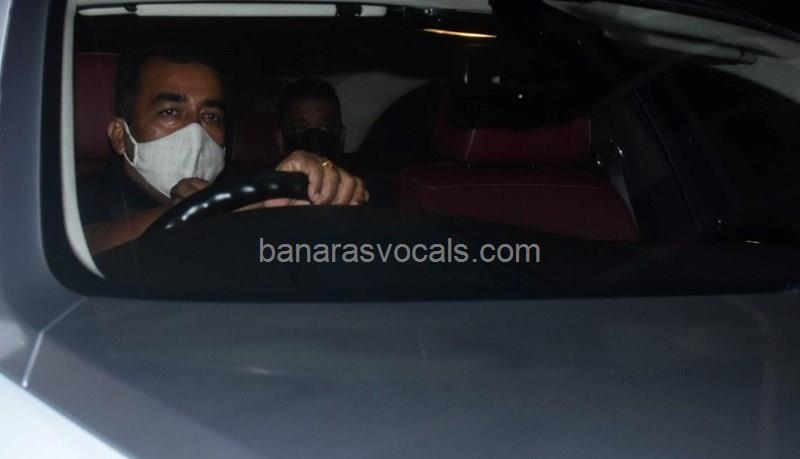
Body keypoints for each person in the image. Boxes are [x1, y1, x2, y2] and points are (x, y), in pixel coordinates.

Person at [78, 46, 367, 255]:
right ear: (120, 136)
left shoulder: (246, 189)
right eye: (170, 112)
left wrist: (317, 189)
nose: (195, 132)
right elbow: (84, 246)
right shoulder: (78, 196)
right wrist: (208, 211)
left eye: (211, 116)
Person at [275, 78, 346, 163]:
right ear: (280, 140)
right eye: (300, 128)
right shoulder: (266, 172)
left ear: (341, 137)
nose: (314, 140)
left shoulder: (355, 171)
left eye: (325, 128)